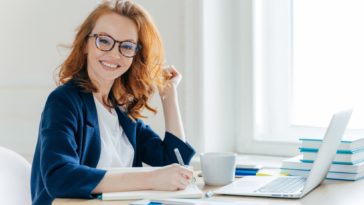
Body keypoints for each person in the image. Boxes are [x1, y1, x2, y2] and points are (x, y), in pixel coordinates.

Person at [30, 1, 195, 204]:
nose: (115, 54)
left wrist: (169, 95)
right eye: (104, 41)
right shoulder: (64, 102)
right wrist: (150, 178)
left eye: (126, 46)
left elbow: (174, 162)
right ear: (85, 45)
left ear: (135, 55)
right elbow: (59, 177)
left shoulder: (122, 110)